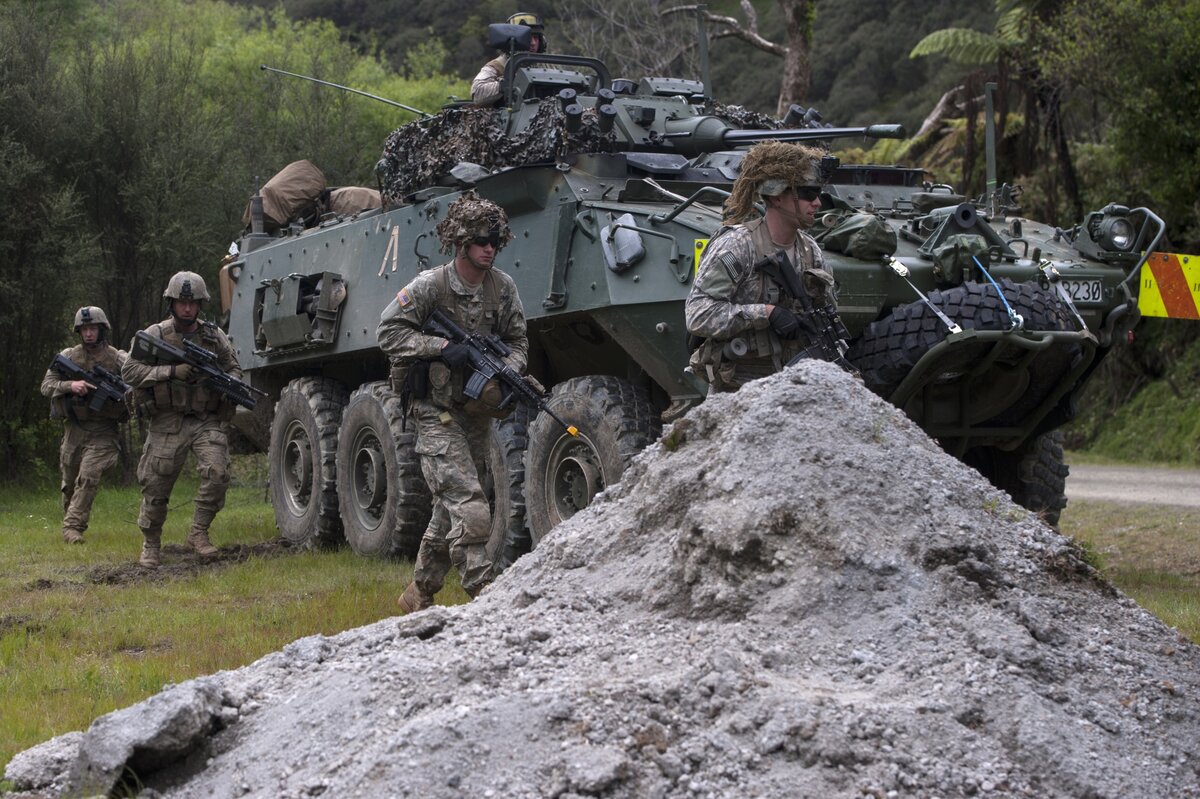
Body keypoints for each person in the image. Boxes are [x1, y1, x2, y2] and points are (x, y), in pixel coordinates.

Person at [377, 191, 528, 613]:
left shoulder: (503, 288)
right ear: (461, 243)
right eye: (482, 241)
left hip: (475, 412)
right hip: (433, 411)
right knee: (472, 507)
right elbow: (388, 333)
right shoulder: (431, 286)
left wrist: (507, 369)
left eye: (495, 242)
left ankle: (418, 592)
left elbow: (518, 341)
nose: (489, 249)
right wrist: (440, 347)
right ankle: (486, 596)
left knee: (451, 507)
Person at [685, 141, 844, 392]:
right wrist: (767, 313)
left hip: (794, 383)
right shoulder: (738, 246)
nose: (817, 203)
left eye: (819, 195)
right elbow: (699, 315)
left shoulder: (810, 250)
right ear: (777, 197)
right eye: (808, 194)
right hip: (739, 385)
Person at [122, 271, 242, 567]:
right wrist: (172, 372)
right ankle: (151, 544)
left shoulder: (214, 336)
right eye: (181, 302)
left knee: (218, 472)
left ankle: (198, 533)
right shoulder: (156, 335)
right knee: (155, 485)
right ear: (171, 303)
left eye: (192, 303)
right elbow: (129, 371)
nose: (187, 308)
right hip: (167, 420)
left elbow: (235, 369)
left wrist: (224, 383)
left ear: (200, 304)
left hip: (205, 418)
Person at [40, 307, 129, 544]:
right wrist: (71, 386)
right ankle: (71, 517)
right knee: (70, 483)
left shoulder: (118, 357)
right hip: (74, 430)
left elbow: (135, 376)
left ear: (102, 330)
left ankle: (73, 528)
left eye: (93, 329)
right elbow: (46, 386)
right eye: (85, 329)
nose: (89, 334)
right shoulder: (69, 356)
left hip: (103, 431)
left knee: (89, 476)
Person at [471, 11, 548, 106]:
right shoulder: (498, 66)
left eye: (536, 38)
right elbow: (477, 93)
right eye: (528, 38)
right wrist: (506, 84)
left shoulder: (545, 65)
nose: (533, 43)